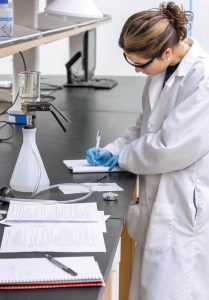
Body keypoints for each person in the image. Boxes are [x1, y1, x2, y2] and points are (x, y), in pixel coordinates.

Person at [86, 2, 209, 299]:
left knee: (171, 288)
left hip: (182, 201)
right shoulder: (162, 69)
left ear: (166, 52)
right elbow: (146, 125)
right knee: (149, 286)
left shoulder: (202, 80)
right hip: (160, 198)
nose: (138, 71)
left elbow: (170, 147)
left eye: (141, 64)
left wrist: (123, 157)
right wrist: (114, 149)